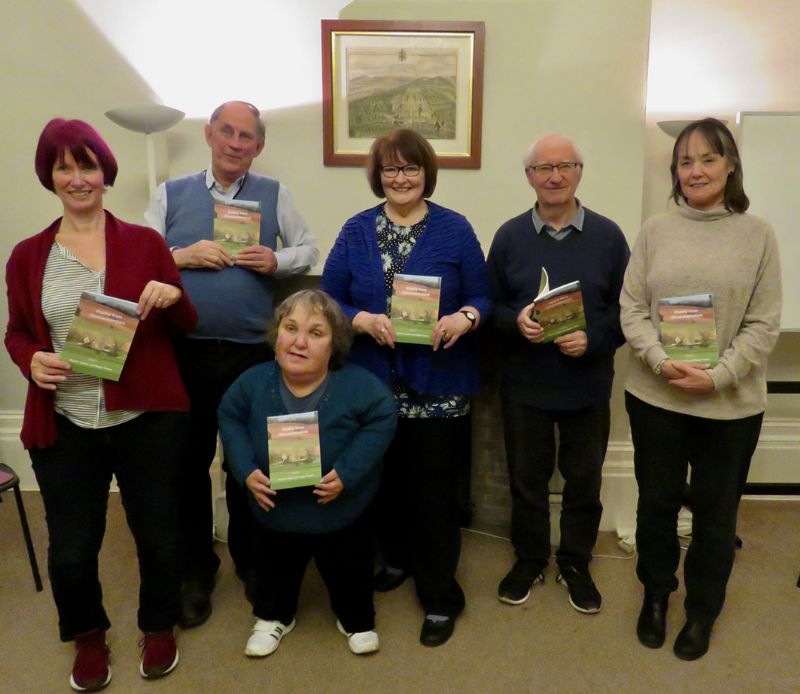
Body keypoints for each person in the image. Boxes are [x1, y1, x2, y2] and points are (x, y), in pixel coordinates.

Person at [5, 118, 197, 691]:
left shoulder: (145, 243)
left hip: (146, 418)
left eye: (86, 165)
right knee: (70, 547)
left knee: (159, 534)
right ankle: (87, 637)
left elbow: (185, 324)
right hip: (66, 420)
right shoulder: (26, 256)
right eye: (64, 167)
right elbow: (17, 332)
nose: (77, 178)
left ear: (105, 173)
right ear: (51, 176)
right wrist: (31, 360)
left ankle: (157, 625)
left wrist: (174, 294)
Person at [144, 100, 319, 627]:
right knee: (186, 466)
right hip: (185, 351)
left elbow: (308, 248)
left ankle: (251, 558)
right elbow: (137, 258)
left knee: (251, 461)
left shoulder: (274, 195)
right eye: (227, 132)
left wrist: (277, 259)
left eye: (247, 136)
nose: (236, 143)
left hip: (251, 354)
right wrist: (183, 255)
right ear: (209, 134)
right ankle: (198, 568)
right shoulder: (170, 194)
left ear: (258, 147)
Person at [321, 129, 491, 647]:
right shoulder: (355, 231)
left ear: (426, 173)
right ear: (378, 176)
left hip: (438, 386)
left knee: (435, 497)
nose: (401, 178)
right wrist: (362, 318)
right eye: (391, 169)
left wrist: (465, 317)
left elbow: (484, 296)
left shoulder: (455, 229)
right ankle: (396, 559)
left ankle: (440, 596)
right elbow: (328, 299)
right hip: (372, 387)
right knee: (385, 487)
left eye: (410, 168)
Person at [620, 117, 781, 660]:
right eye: (685, 161)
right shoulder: (654, 231)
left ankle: (702, 612)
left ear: (730, 165)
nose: (695, 170)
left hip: (731, 405)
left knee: (716, 514)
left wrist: (717, 376)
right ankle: (657, 595)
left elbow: (764, 323)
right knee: (657, 503)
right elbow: (632, 308)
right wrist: (662, 362)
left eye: (707, 159)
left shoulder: (758, 234)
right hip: (656, 396)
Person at [487, 134, 630, 614]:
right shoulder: (509, 236)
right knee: (526, 480)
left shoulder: (609, 237)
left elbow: (627, 312)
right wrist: (516, 321)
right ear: (528, 177)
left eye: (564, 166)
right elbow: (489, 306)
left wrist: (594, 338)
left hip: (587, 384)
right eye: (542, 168)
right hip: (524, 384)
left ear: (579, 172)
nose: (554, 176)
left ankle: (574, 562)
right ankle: (529, 558)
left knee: (583, 481)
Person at [218, 290, 396, 657]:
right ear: (276, 334)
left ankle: (356, 618)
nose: (299, 342)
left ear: (335, 345)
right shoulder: (252, 383)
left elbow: (383, 417)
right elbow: (229, 416)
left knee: (350, 569)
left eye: (316, 333)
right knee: (273, 568)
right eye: (291, 328)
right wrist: (245, 469)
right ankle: (273, 616)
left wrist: (347, 473)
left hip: (342, 510)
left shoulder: (359, 386)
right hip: (275, 511)